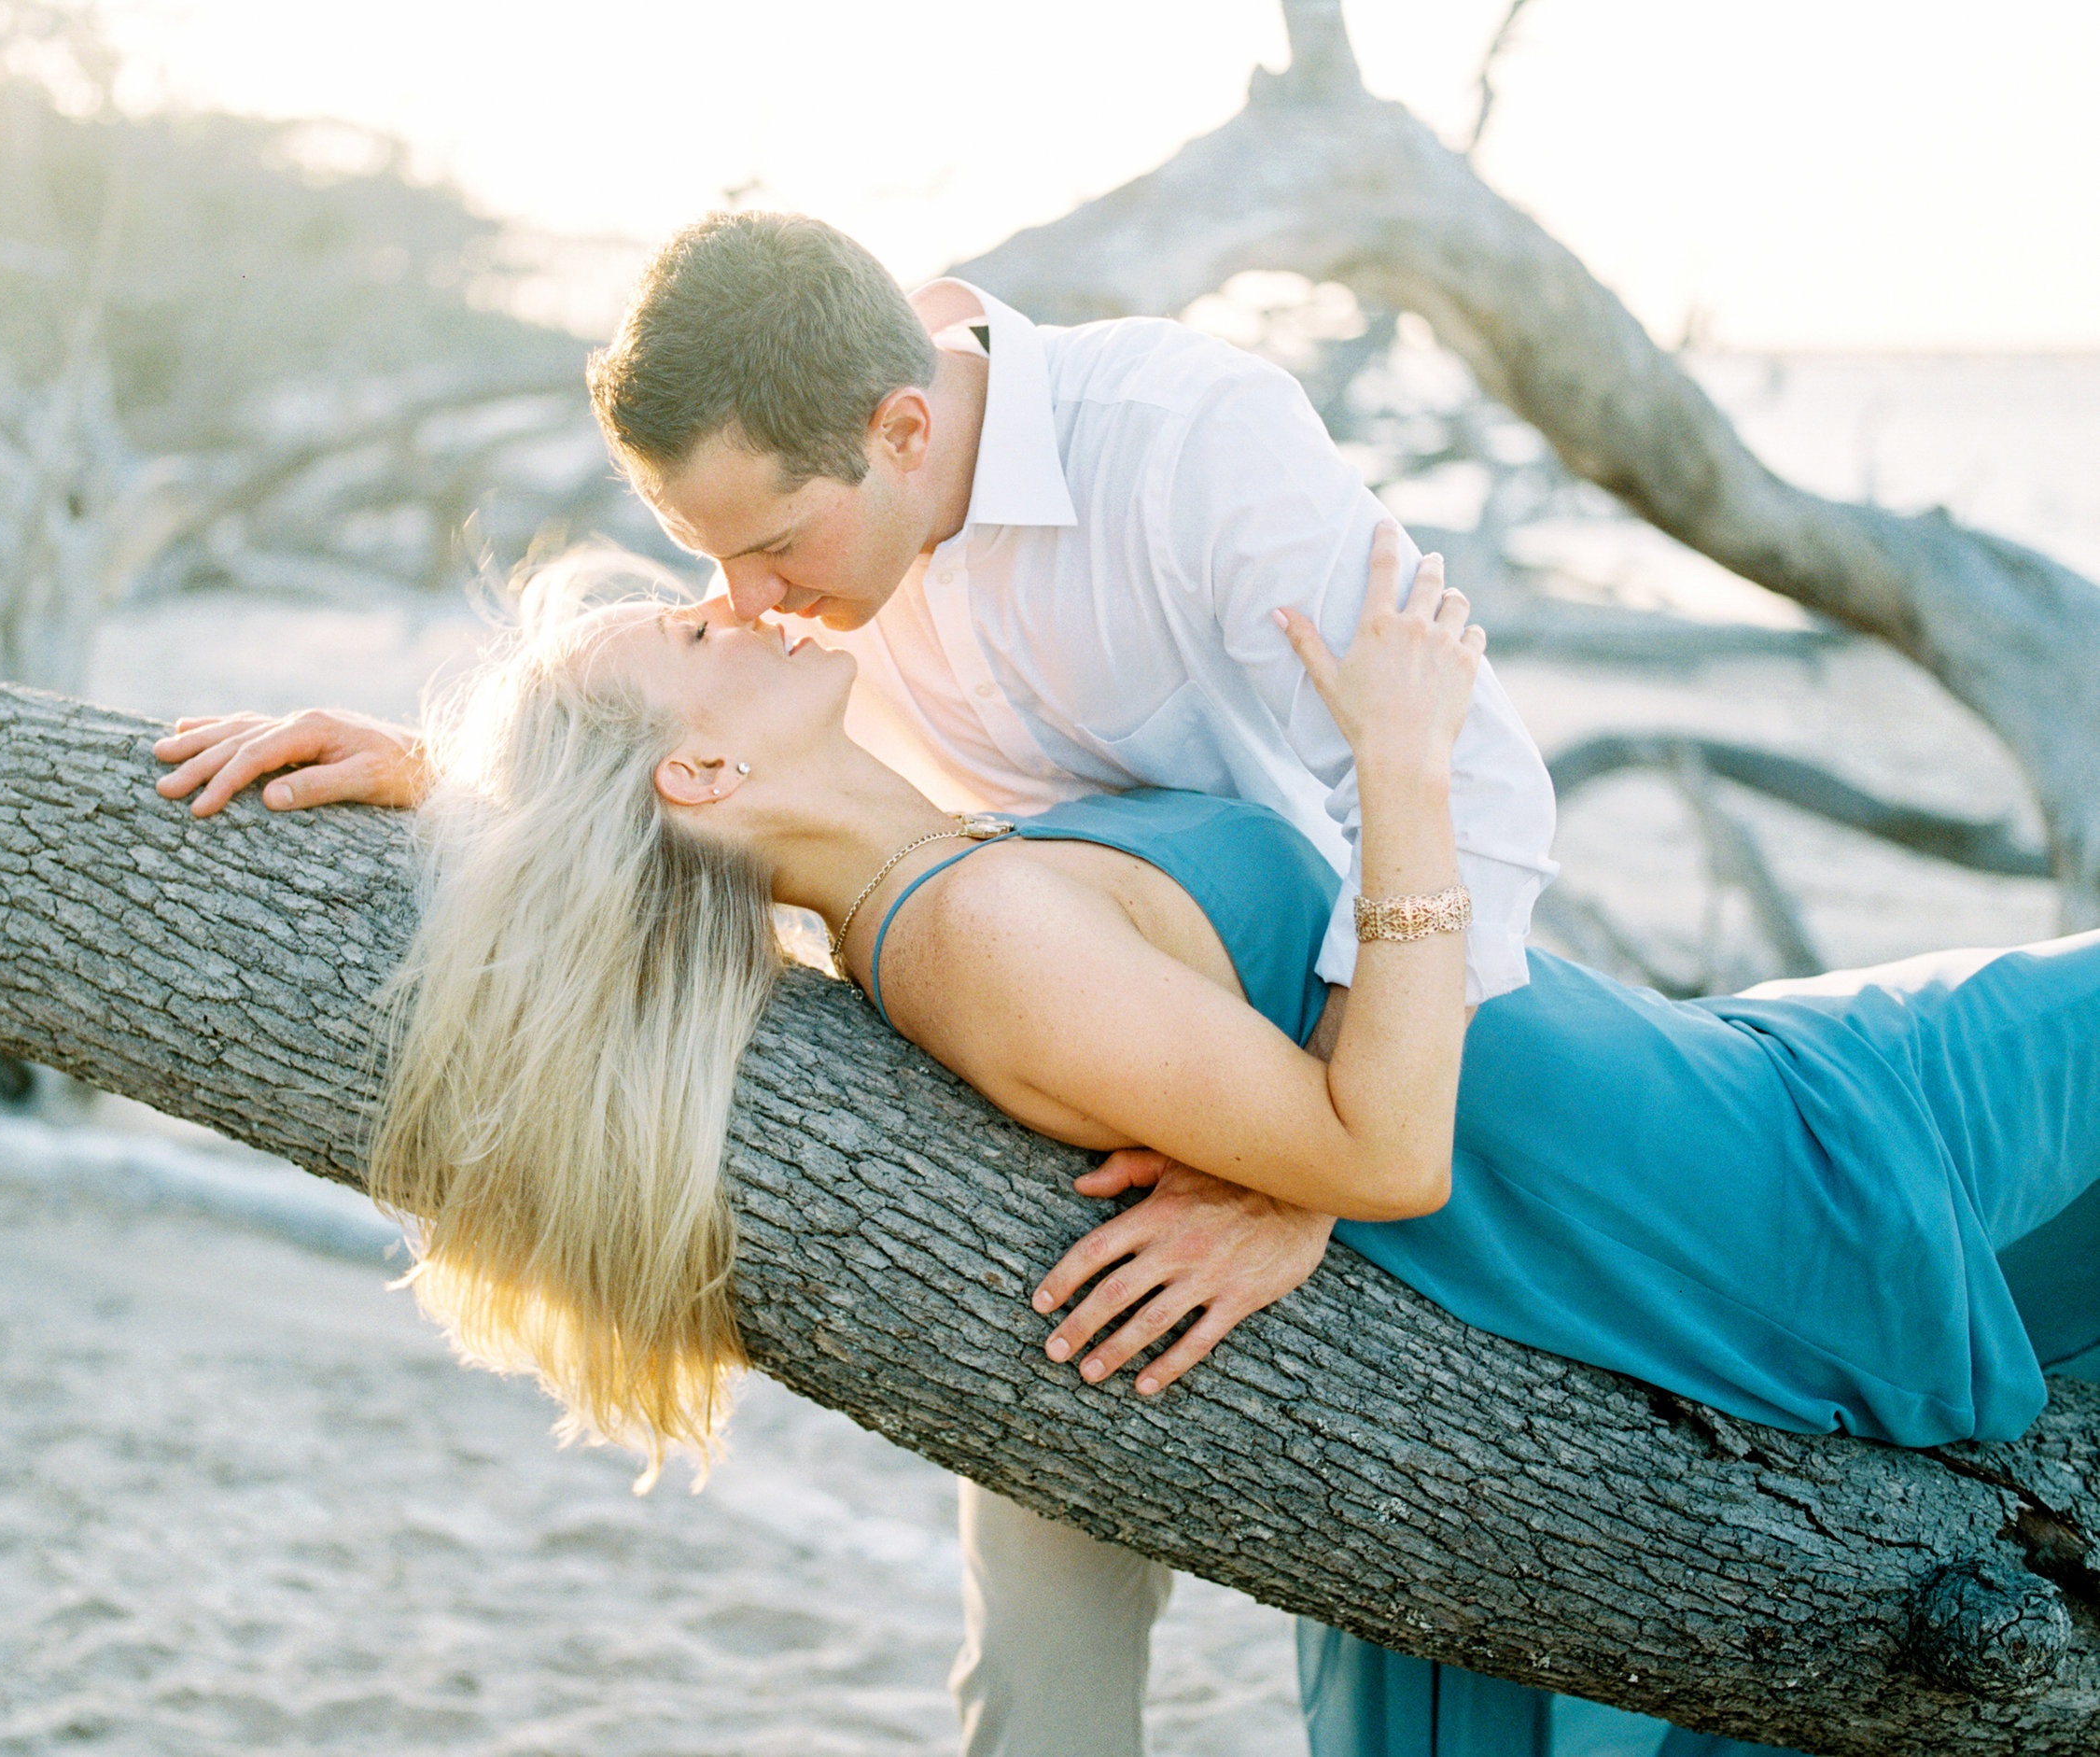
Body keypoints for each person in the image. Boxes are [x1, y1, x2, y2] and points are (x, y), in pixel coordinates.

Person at [160, 535, 2097, 1757]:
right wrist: (1403, 766)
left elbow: (627, 848)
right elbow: (1387, 1141)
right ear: (705, 770)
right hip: (1764, 1169)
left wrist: (462, 789)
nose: (731, 592)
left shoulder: (922, 881)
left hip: (1736, 1074)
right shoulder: (978, 943)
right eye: (686, 622)